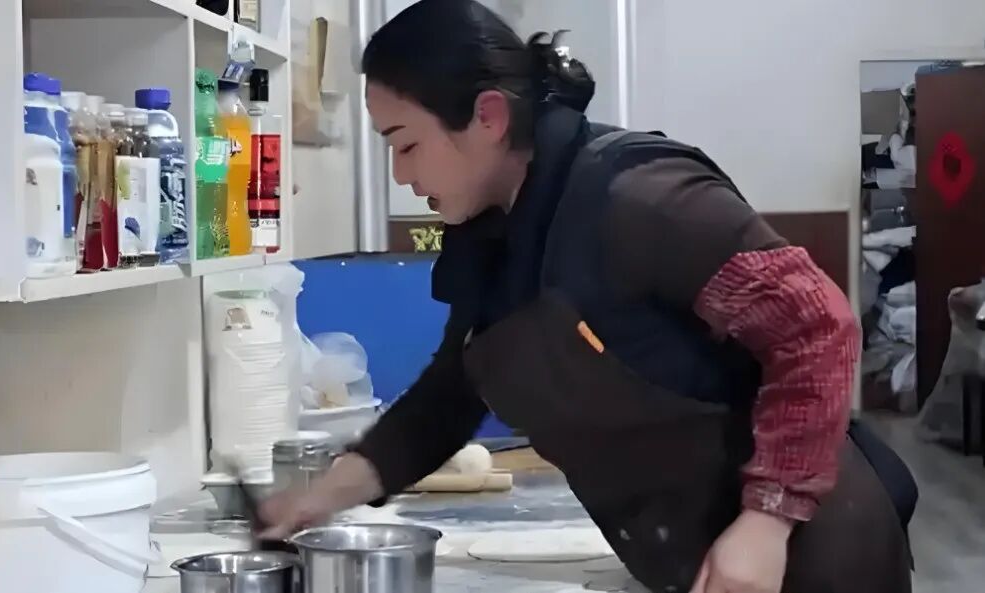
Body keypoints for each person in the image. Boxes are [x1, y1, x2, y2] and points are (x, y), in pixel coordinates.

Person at [260, 1, 917, 592]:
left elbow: (814, 326)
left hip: (802, 554)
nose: (400, 174)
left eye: (406, 144)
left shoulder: (638, 197)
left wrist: (766, 522)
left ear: (487, 116)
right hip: (691, 561)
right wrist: (320, 498)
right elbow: (450, 397)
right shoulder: (493, 239)